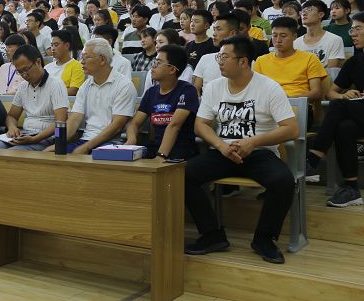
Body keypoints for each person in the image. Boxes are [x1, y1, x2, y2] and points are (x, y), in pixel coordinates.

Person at [184, 36, 298, 264]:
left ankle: (264, 239)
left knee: (284, 181)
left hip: (259, 153)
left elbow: (291, 129)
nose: (219, 61)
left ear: (243, 61)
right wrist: (220, 145)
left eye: (224, 57)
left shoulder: (269, 87)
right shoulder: (214, 86)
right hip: (223, 151)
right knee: (183, 175)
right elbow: (200, 125)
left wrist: (253, 142)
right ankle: (212, 234)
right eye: (219, 56)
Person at [306, 12, 364, 207]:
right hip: (360, 113)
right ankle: (352, 188)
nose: (352, 34)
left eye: (358, 29)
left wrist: (340, 101)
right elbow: (331, 93)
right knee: (344, 127)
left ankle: (314, 156)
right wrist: (343, 95)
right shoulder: (354, 62)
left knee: (339, 108)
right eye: (352, 30)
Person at [51, 38, 136, 154]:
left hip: (110, 143)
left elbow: (117, 126)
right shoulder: (86, 85)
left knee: (93, 157)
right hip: (85, 139)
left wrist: (86, 148)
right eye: (81, 57)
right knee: (51, 154)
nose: (81, 62)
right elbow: (74, 119)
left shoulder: (124, 85)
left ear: (102, 59)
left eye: (85, 57)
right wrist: (57, 146)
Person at [0, 44, 69, 150]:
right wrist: (12, 127)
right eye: (19, 72)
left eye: (26, 69)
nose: (24, 75)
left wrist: (35, 139)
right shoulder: (23, 86)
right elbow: (12, 116)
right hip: (26, 134)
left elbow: (60, 121)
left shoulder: (56, 84)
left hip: (47, 138)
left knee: (14, 152)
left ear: (38, 62)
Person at [126, 45, 199, 160]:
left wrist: (161, 156)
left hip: (181, 149)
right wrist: (131, 140)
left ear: (172, 69)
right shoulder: (151, 92)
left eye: (158, 63)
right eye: (154, 61)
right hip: (156, 147)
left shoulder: (187, 90)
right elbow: (134, 123)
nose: (153, 66)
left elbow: (174, 126)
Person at [254, 17, 326, 102]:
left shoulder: (310, 58)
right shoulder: (261, 61)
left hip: (297, 104)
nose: (278, 40)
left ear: (294, 36)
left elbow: (316, 93)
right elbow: (255, 90)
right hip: (268, 103)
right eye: (274, 35)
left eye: (283, 36)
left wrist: (289, 99)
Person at [193, 14, 241, 96]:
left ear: (233, 33)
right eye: (214, 29)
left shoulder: (244, 61)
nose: (214, 34)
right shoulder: (205, 59)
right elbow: (196, 89)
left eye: (219, 29)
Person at [294, 0, 345, 69]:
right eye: (302, 11)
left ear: (320, 15)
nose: (304, 13)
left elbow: (331, 70)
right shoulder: (296, 43)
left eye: (309, 10)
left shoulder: (334, 40)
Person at [44, 30, 85, 95]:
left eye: (56, 45)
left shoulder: (77, 66)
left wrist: (50, 94)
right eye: (52, 45)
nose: (53, 48)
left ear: (67, 45)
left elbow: (73, 90)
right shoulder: (47, 67)